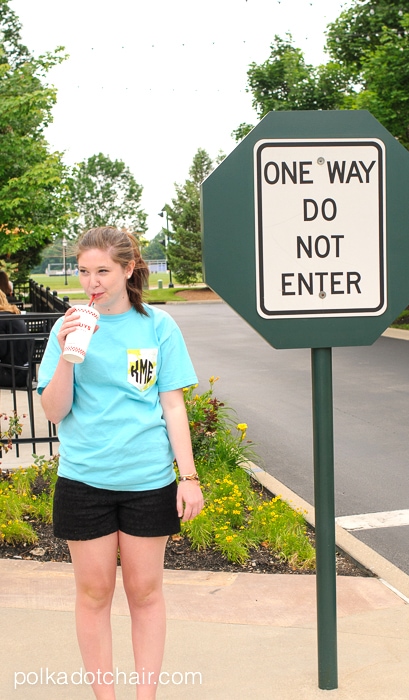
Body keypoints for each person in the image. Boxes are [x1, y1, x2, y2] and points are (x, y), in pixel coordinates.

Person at [37, 226, 204, 700]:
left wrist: (187, 478)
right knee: (93, 595)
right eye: (84, 271)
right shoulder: (65, 325)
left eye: (103, 271)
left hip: (147, 481)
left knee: (146, 594)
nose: (92, 282)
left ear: (129, 270)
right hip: (84, 481)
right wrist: (70, 355)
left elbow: (173, 406)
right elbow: (53, 412)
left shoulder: (157, 327)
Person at [0, 289, 29, 387]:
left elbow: (1, 351)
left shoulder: (1, 319)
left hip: (11, 374)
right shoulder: (13, 314)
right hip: (25, 371)